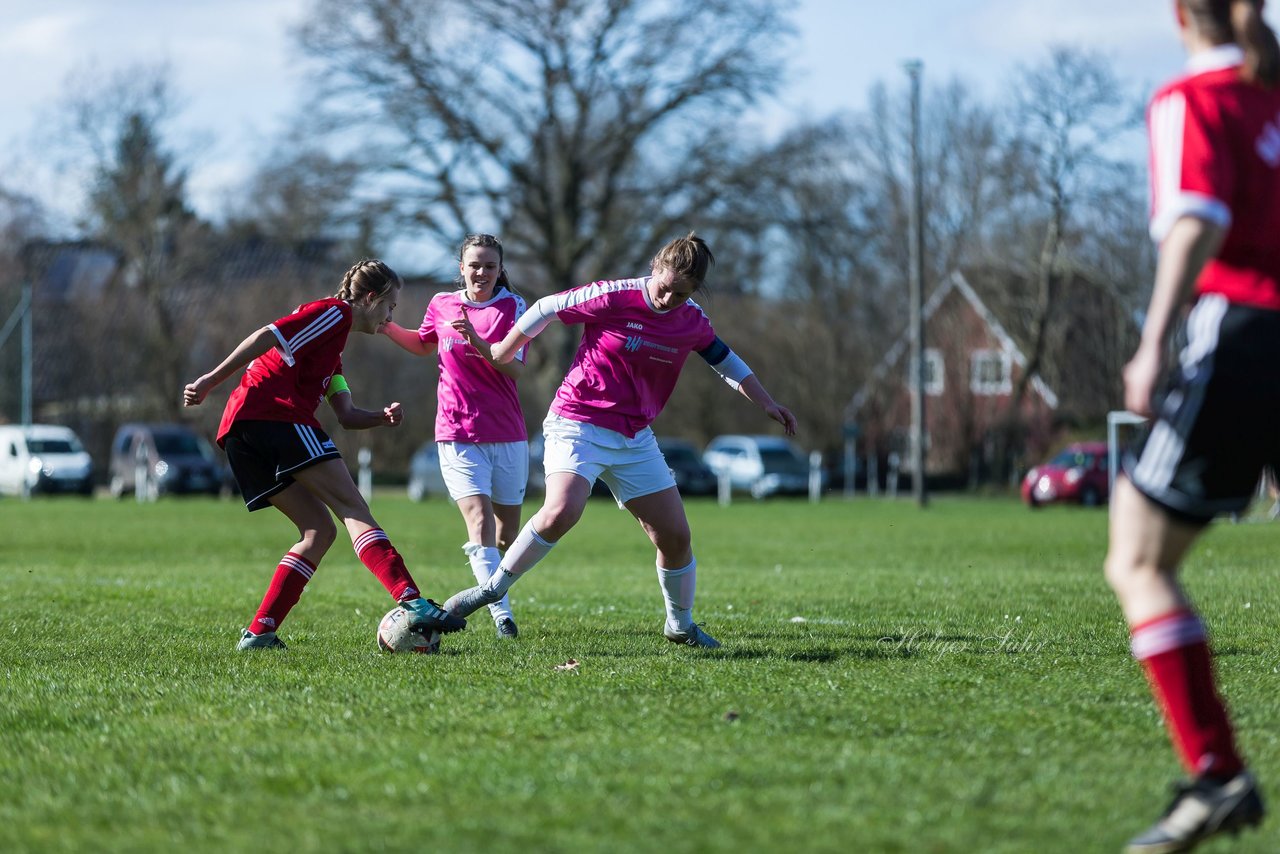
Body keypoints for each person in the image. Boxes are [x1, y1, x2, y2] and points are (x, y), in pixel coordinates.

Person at [441, 232, 798, 648]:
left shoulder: (692, 320)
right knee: (561, 511)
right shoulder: (614, 296)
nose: (669, 300)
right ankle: (491, 590)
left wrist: (767, 402)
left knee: (676, 537)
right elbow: (546, 307)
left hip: (633, 436)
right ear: (654, 269)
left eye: (682, 295)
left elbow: (724, 359)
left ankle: (680, 625)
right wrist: (503, 349)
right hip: (577, 421)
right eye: (665, 288)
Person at [1104, 1, 1277, 849]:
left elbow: (1200, 218)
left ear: (1181, 14)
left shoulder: (1192, 101)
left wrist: (1152, 338)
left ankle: (1217, 775)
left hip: (1249, 338)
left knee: (1137, 556)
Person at [183, 258, 466, 651]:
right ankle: (411, 599)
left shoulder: (332, 351)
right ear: (370, 298)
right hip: (273, 416)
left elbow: (346, 416)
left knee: (319, 530)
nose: (390, 317)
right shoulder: (334, 314)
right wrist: (210, 380)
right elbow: (267, 335)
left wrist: (380, 419)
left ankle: (260, 631)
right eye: (390, 307)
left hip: (239, 433)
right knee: (353, 508)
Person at [381, 234, 529, 639]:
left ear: (500, 271)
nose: (482, 273)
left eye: (490, 266)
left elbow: (515, 369)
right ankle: (503, 617)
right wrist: (387, 326)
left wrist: (477, 342)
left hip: (507, 434)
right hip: (456, 432)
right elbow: (423, 344)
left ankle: (495, 594)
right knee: (478, 523)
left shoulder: (513, 307)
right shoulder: (441, 304)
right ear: (460, 267)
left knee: (506, 534)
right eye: (474, 265)